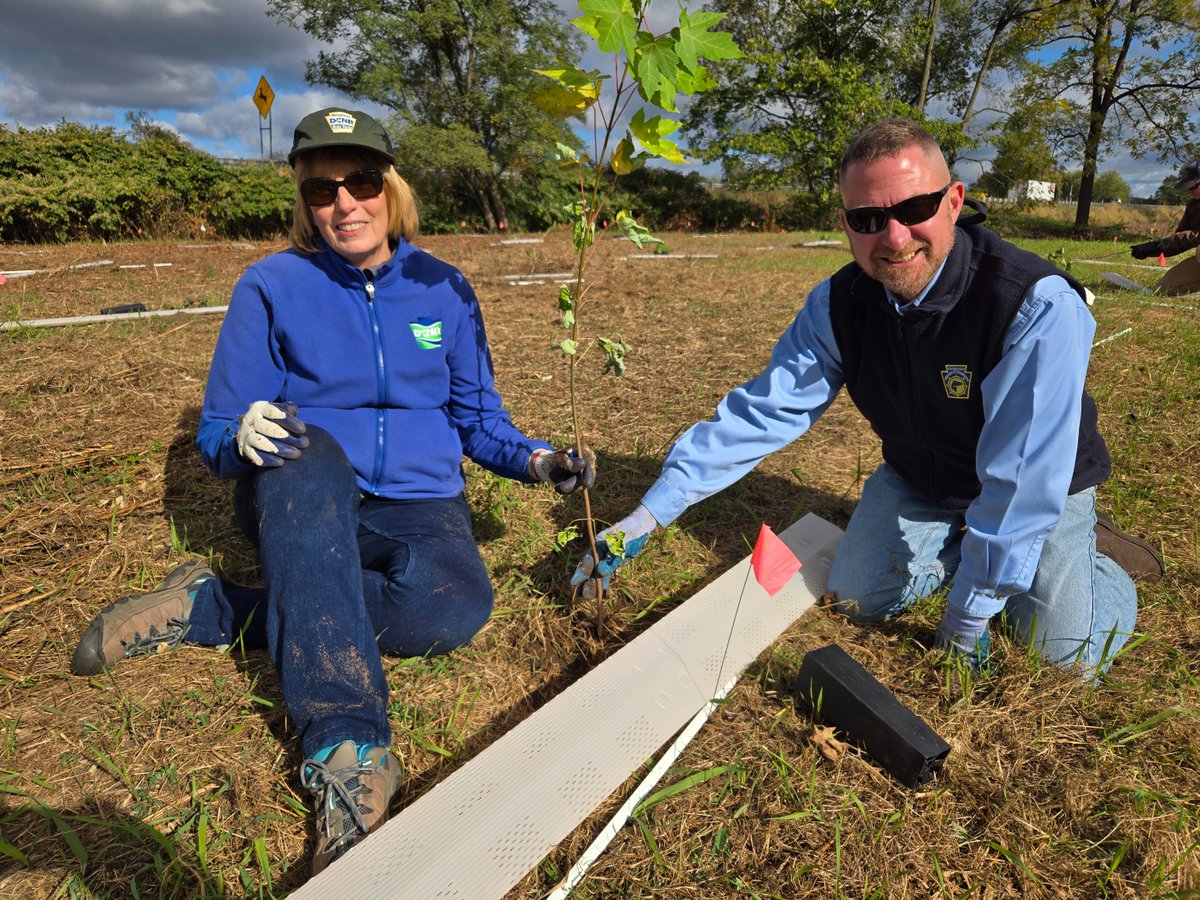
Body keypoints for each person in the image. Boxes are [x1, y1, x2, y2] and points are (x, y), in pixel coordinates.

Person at [70, 108, 594, 875]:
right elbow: (218, 430)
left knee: (454, 608)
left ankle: (214, 606)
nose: (344, 202)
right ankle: (349, 746)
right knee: (305, 454)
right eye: (322, 189)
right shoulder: (271, 285)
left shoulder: (443, 289)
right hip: (305, 491)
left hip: (419, 502)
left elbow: (480, 422)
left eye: (361, 181)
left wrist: (541, 463)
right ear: (304, 200)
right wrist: (238, 433)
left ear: (391, 189)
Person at [573, 118, 1162, 677]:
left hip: (1039, 488)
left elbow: (1022, 476)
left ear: (954, 202)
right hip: (924, 479)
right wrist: (646, 515)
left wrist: (970, 611)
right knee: (854, 598)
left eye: (914, 208)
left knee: (1067, 659)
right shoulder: (838, 306)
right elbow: (764, 412)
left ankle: (1098, 562)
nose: (894, 237)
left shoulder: (1033, 306)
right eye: (868, 218)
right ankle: (973, 541)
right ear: (845, 222)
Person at [1130, 159, 1200, 295]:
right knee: (1163, 288)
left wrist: (1172, 239)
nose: (1189, 191)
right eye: (1187, 188)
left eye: (1193, 186)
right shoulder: (1193, 206)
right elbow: (1180, 240)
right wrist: (1154, 248)